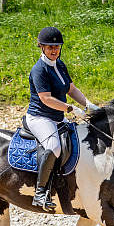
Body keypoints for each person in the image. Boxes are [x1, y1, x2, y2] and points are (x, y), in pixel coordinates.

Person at [26, 26, 99, 210]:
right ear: (41, 47)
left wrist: (87, 104)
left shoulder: (60, 65)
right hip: (40, 118)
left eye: (57, 47)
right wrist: (70, 108)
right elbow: (46, 98)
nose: (54, 50)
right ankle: (40, 193)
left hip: (57, 117)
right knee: (54, 146)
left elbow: (71, 89)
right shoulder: (39, 70)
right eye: (50, 47)